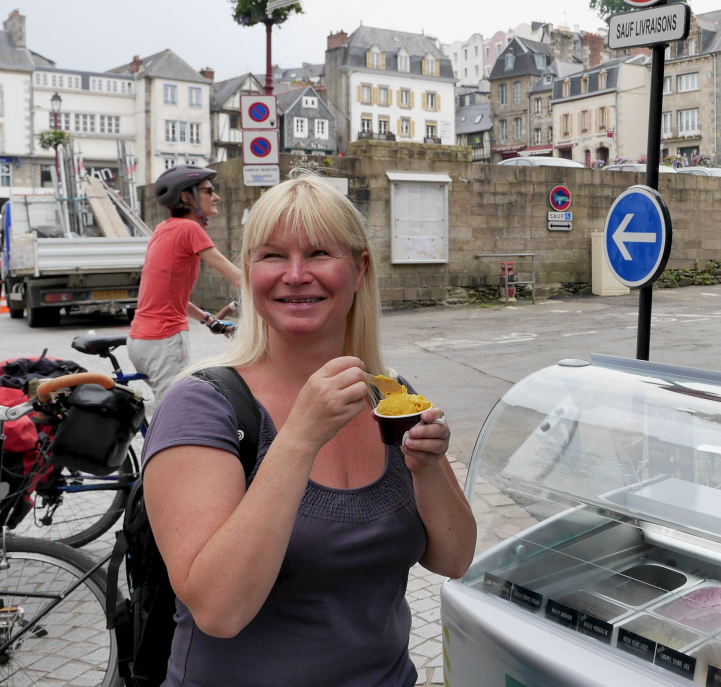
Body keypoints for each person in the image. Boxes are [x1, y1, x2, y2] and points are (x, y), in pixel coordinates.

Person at [141, 173, 475, 687]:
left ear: (360, 269)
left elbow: (453, 558)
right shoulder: (203, 407)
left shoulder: (390, 395)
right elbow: (218, 610)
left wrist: (428, 469)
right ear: (249, 270)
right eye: (272, 255)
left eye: (319, 253)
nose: (295, 275)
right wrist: (298, 438)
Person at [128, 165, 242, 400]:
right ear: (186, 196)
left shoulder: (163, 229)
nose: (216, 196)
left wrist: (209, 320)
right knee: (175, 409)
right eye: (208, 190)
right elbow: (236, 276)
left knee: (164, 406)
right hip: (164, 340)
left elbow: (169, 296)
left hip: (139, 342)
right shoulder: (190, 228)